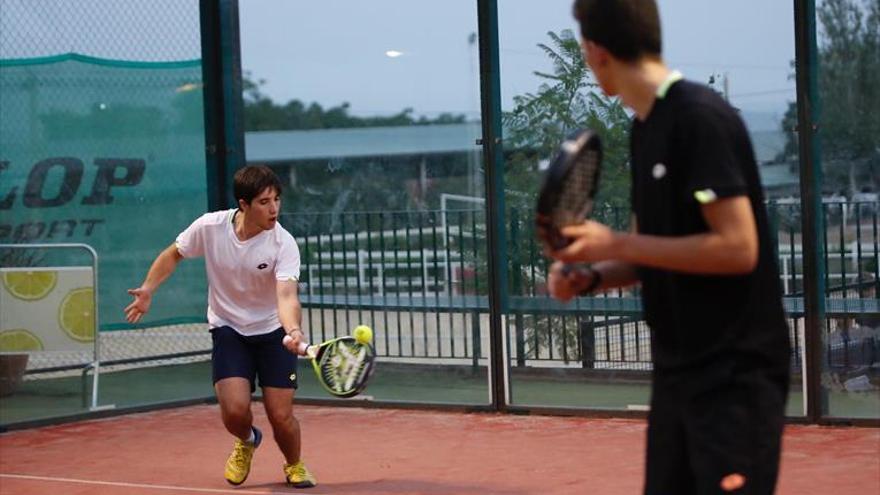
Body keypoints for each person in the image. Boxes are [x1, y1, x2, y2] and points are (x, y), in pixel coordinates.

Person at [547, 1, 792, 493]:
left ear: (596, 52)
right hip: (678, 371)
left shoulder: (700, 119)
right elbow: (651, 250)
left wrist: (613, 240)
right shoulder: (645, 129)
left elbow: (738, 248)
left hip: (734, 378)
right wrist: (593, 275)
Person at [124, 165, 317, 488]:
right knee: (234, 411)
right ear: (243, 204)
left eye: (277, 200)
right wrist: (148, 289)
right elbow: (174, 254)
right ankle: (246, 440)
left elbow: (286, 296)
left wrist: (293, 330)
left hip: (272, 332)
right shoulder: (210, 226)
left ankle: (294, 464)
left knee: (281, 416)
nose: (274, 209)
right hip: (228, 328)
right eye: (264, 202)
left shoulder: (284, 244)